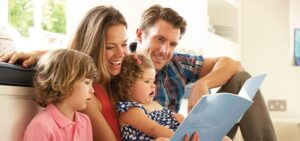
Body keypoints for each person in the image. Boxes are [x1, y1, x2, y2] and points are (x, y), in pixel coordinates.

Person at [0, 5, 198, 141]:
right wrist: (35, 55)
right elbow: (73, 55)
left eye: (123, 44)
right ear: (93, 47)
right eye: (111, 46)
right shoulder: (86, 94)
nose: (121, 54)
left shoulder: (119, 76)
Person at [134, 4, 277, 141]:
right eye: (160, 39)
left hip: (190, 136)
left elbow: (234, 64)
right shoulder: (121, 68)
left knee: (241, 78)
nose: (165, 51)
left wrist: (203, 83)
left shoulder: (176, 63)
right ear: (140, 35)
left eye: (172, 44)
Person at [112, 54, 232, 141]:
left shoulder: (155, 104)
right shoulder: (130, 110)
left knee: (224, 139)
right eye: (147, 81)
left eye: (153, 81)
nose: (153, 85)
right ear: (128, 85)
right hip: (171, 138)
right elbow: (154, 129)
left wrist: (181, 121)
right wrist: (179, 136)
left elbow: (173, 117)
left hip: (181, 136)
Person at [23, 49, 98, 141]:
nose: (92, 90)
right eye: (87, 83)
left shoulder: (84, 121)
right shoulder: (40, 126)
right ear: (64, 83)